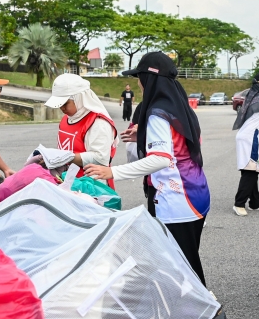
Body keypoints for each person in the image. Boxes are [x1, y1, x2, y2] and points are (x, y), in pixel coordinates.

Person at [84, 52, 211, 285]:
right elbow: (179, 145)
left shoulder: (157, 113)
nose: (138, 84)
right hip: (196, 192)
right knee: (185, 262)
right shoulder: (180, 107)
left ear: (149, 79)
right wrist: (144, 136)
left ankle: (203, 306)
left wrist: (113, 172)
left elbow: (161, 159)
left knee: (182, 269)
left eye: (139, 78)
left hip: (177, 199)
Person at [45, 74, 118, 186]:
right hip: (68, 183)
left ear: (79, 98)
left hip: (91, 186)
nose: (61, 108)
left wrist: (64, 157)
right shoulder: (66, 119)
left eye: (65, 103)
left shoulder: (98, 123)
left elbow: (100, 158)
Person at [233, 72, 259, 216]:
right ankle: (239, 203)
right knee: (250, 170)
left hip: (248, 136)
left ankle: (255, 202)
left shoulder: (253, 95)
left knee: (251, 170)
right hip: (251, 138)